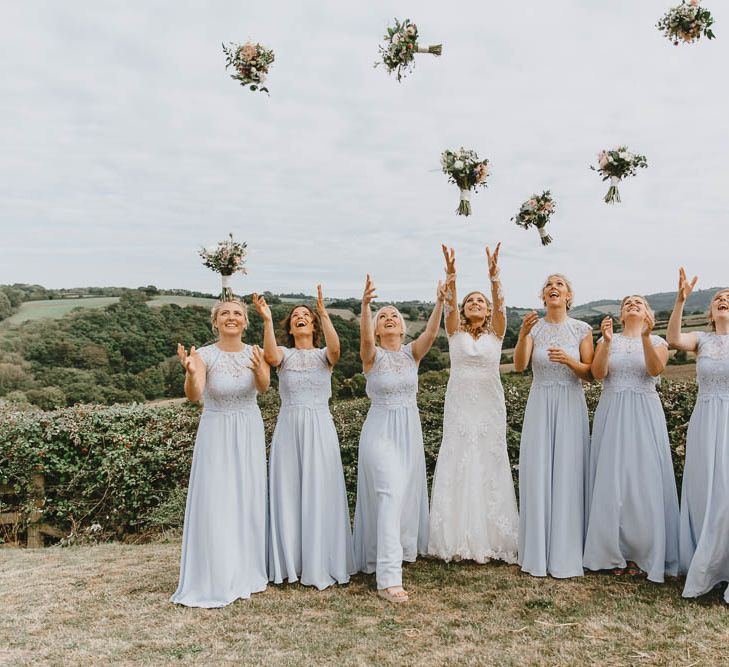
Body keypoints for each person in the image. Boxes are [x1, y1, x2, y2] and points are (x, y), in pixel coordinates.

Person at [252, 286, 355, 590]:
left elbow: (337, 350)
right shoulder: (284, 355)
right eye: (295, 316)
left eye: (305, 316)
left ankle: (321, 560)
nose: (300, 318)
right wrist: (268, 320)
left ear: (312, 326)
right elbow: (269, 356)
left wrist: (323, 313)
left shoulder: (325, 356)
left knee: (320, 488)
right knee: (289, 489)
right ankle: (292, 563)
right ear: (291, 327)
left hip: (320, 426)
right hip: (289, 426)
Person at [171, 299, 270, 607]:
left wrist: (258, 369)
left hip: (248, 428)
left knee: (246, 496)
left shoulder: (255, 351)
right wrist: (189, 372)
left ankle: (247, 571)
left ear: (245, 321)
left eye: (237, 313)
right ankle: (217, 572)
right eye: (225, 313)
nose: (231, 317)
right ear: (215, 322)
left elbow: (265, 387)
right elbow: (195, 394)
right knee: (217, 498)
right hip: (216, 430)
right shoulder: (203, 354)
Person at [353, 274, 445, 602]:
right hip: (379, 431)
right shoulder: (372, 357)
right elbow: (364, 340)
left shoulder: (411, 355)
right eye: (383, 317)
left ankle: (389, 554)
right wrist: (365, 307)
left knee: (401, 496)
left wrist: (439, 302)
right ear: (378, 329)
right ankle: (389, 579)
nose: (389, 318)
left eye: (394, 316)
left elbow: (433, 332)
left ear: (403, 328)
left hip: (409, 430)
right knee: (389, 493)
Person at [428, 243, 519, 564]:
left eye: (480, 301)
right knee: (459, 457)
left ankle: (493, 538)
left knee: (489, 460)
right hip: (460, 405)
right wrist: (452, 276)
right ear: (465, 310)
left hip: (489, 405)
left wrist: (494, 276)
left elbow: (502, 306)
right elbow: (449, 308)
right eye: (471, 301)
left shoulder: (497, 333)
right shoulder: (454, 333)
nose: (476, 303)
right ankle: (455, 538)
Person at [584, 295, 679, 581]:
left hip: (644, 411)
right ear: (621, 315)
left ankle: (644, 552)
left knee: (643, 477)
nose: (633, 304)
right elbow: (598, 374)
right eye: (627, 303)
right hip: (612, 410)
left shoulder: (658, 341)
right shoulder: (606, 340)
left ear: (647, 313)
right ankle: (611, 552)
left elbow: (655, 370)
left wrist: (647, 338)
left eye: (638, 302)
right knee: (612, 478)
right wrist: (608, 342)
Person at [514, 274, 593, 578]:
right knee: (539, 470)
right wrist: (522, 335)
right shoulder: (534, 328)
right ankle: (537, 551)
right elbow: (520, 366)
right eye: (548, 284)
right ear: (543, 296)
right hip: (540, 402)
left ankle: (567, 550)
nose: (553, 287)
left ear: (568, 295)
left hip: (571, 403)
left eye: (559, 284)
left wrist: (571, 363)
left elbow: (591, 374)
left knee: (568, 470)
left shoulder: (582, 329)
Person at [668, 268, 729, 604]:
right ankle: (706, 565)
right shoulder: (701, 340)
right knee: (706, 489)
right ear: (710, 312)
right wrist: (679, 301)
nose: (724, 301)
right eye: (719, 298)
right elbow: (675, 339)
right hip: (706, 419)